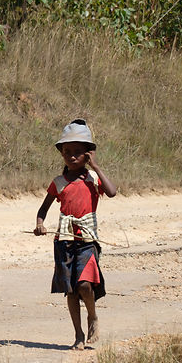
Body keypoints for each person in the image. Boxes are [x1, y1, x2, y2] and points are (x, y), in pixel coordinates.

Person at [34, 118, 117, 350]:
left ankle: (92, 316)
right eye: (66, 152)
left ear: (88, 154)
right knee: (70, 290)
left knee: (83, 285)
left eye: (77, 152)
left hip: (87, 241)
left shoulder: (93, 179)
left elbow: (112, 192)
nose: (71, 156)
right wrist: (40, 223)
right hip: (64, 241)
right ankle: (78, 335)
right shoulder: (59, 183)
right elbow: (43, 208)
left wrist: (96, 167)